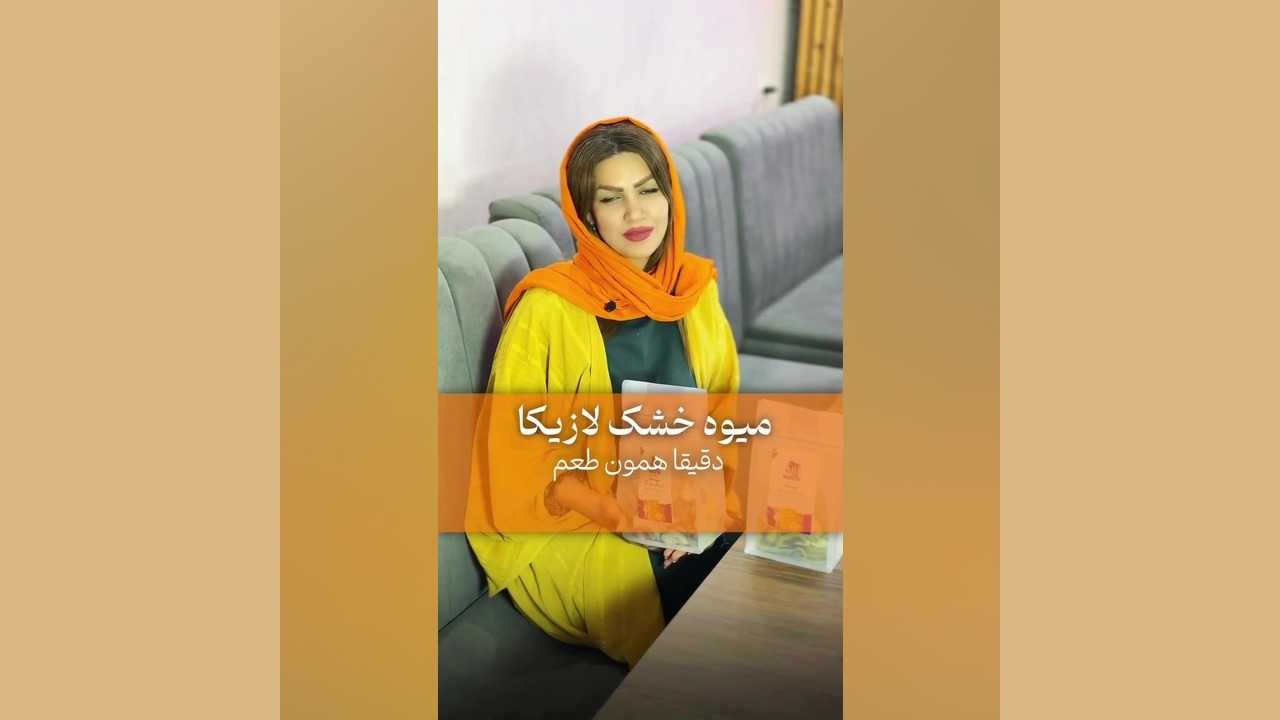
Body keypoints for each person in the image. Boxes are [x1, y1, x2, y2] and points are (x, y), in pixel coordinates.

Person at [464, 116, 743, 668]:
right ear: (587, 215)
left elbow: (722, 415)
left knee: (790, 551)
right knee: (724, 613)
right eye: (612, 199)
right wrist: (621, 515)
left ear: (670, 196)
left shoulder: (694, 290)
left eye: (648, 191)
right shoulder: (548, 309)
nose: (636, 213)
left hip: (682, 500)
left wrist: (710, 505)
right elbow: (518, 464)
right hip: (581, 526)